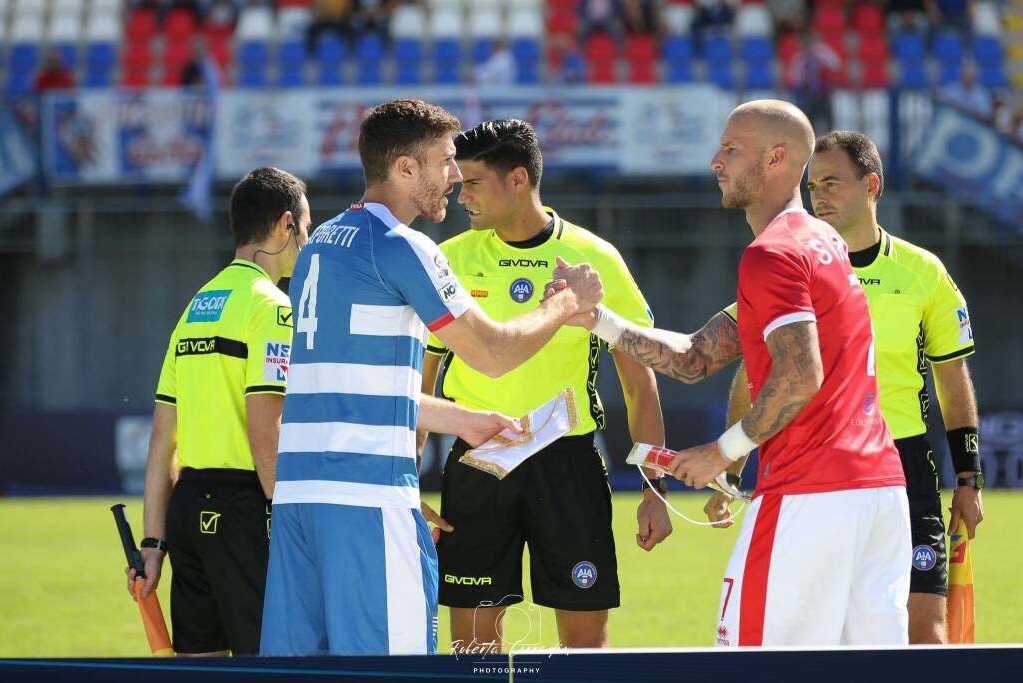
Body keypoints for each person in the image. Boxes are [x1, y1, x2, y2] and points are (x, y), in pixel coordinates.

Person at [259, 99, 604, 656]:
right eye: (445, 162)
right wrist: (567, 303)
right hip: (366, 500)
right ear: (404, 169)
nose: (454, 178)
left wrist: (460, 419)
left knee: (306, 670)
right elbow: (490, 352)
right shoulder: (404, 246)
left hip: (300, 500)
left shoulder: (321, 241)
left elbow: (348, 386)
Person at [558, 100, 911, 646]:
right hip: (878, 493)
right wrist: (597, 319)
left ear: (776, 158)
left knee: (750, 665)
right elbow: (697, 357)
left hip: (809, 496)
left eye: (731, 149)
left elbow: (799, 377)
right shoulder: (823, 242)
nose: (715, 161)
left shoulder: (774, 253)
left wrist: (721, 453)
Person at [707, 131, 985, 644]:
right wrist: (732, 465)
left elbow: (952, 379)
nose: (820, 196)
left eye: (833, 182)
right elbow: (752, 366)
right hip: (815, 466)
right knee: (822, 639)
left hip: (899, 465)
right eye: (813, 185)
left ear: (872, 185)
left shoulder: (923, 272)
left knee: (924, 632)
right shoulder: (797, 260)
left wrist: (968, 479)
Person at [417, 119, 669, 652]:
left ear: (517, 180)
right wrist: (409, 480)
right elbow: (426, 378)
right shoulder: (452, 258)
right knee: (473, 648)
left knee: (584, 644)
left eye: (473, 184)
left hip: (567, 463)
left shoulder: (595, 259)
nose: (461, 196)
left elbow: (639, 381)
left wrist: (654, 487)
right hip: (478, 462)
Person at [127, 167, 312, 655]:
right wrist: (290, 520)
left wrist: (153, 544)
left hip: (189, 511)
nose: (307, 242)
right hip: (247, 511)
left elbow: (162, 444)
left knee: (199, 665)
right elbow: (264, 427)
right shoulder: (273, 307)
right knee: (273, 660)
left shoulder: (194, 308)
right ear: (285, 224)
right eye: (306, 229)